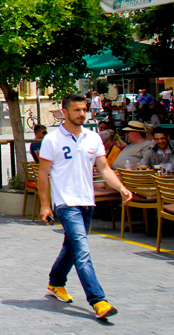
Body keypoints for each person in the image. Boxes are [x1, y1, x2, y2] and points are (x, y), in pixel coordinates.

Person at [38, 92, 131, 320]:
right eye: (77, 110)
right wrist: (44, 205)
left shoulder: (93, 138)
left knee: (71, 247)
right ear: (65, 112)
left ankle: (55, 282)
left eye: (84, 110)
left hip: (87, 202)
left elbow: (105, 169)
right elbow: (43, 174)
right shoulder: (52, 140)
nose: (82, 114)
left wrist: (120, 188)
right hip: (66, 203)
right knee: (82, 252)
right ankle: (98, 301)